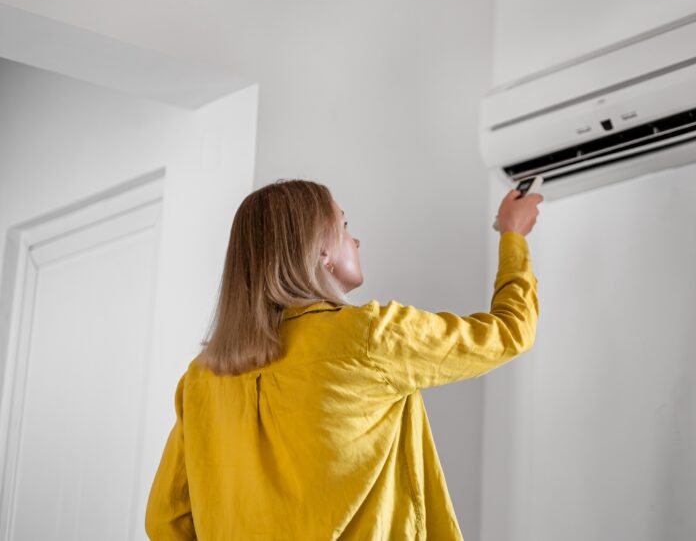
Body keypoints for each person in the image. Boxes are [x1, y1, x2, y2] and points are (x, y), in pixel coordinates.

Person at [145, 179, 542, 540]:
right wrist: (513, 235)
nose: (356, 241)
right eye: (345, 227)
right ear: (321, 249)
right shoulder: (368, 336)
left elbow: (167, 520)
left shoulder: (201, 378)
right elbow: (510, 331)